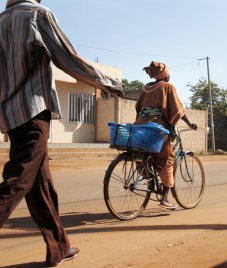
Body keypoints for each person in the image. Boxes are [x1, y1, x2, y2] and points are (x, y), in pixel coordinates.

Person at [0, 0, 123, 266]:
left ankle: (59, 247)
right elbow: (68, 59)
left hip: (11, 114)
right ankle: (60, 246)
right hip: (33, 112)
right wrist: (109, 83)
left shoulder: (2, 20)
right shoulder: (37, 14)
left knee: (40, 185)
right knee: (18, 179)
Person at [135, 61, 197, 210]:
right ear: (164, 74)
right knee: (167, 159)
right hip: (157, 129)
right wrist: (189, 123)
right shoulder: (167, 87)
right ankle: (165, 199)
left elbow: (138, 107)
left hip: (141, 127)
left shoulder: (146, 88)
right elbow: (178, 109)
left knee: (145, 155)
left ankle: (149, 179)